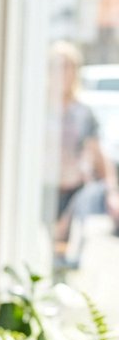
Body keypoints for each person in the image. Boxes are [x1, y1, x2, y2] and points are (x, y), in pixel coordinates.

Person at [48, 41, 119, 265]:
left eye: (68, 67)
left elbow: (98, 153)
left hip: (72, 190)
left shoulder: (83, 112)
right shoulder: (38, 109)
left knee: (65, 254)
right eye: (58, 66)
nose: (63, 73)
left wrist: (112, 192)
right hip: (42, 188)